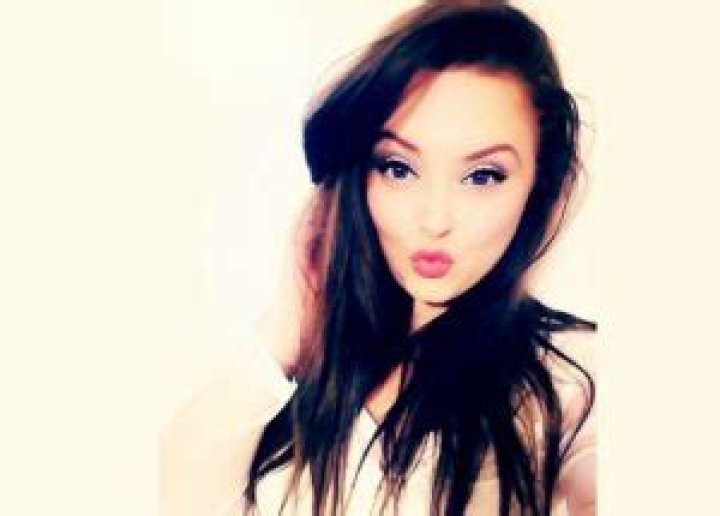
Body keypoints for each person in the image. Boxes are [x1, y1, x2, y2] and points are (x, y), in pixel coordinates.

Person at [160, 2, 597, 515]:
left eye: (482, 176)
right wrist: (288, 326)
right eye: (398, 168)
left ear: (538, 187)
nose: (434, 219)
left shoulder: (572, 377)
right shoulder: (313, 366)